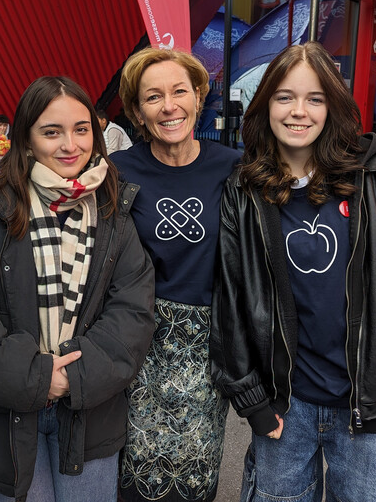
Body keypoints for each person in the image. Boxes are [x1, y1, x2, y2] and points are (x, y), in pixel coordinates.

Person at [210, 42, 376, 502]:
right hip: (287, 409)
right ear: (265, 104)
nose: (298, 111)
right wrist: (252, 400)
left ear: (333, 106)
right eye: (284, 97)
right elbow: (233, 300)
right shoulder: (244, 192)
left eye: (315, 98)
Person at [0, 76, 156, 502]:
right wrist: (37, 376)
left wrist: (72, 379)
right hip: (2, 415)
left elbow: (132, 314)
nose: (71, 144)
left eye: (81, 129)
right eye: (52, 131)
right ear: (26, 140)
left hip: (88, 411)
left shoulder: (114, 212)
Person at [112, 47, 241, 502]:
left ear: (199, 96)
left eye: (179, 91)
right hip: (141, 347)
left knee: (194, 481)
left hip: (208, 348)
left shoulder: (233, 166)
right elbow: (55, 194)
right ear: (136, 112)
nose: (169, 106)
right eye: (153, 97)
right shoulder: (117, 172)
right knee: (131, 478)